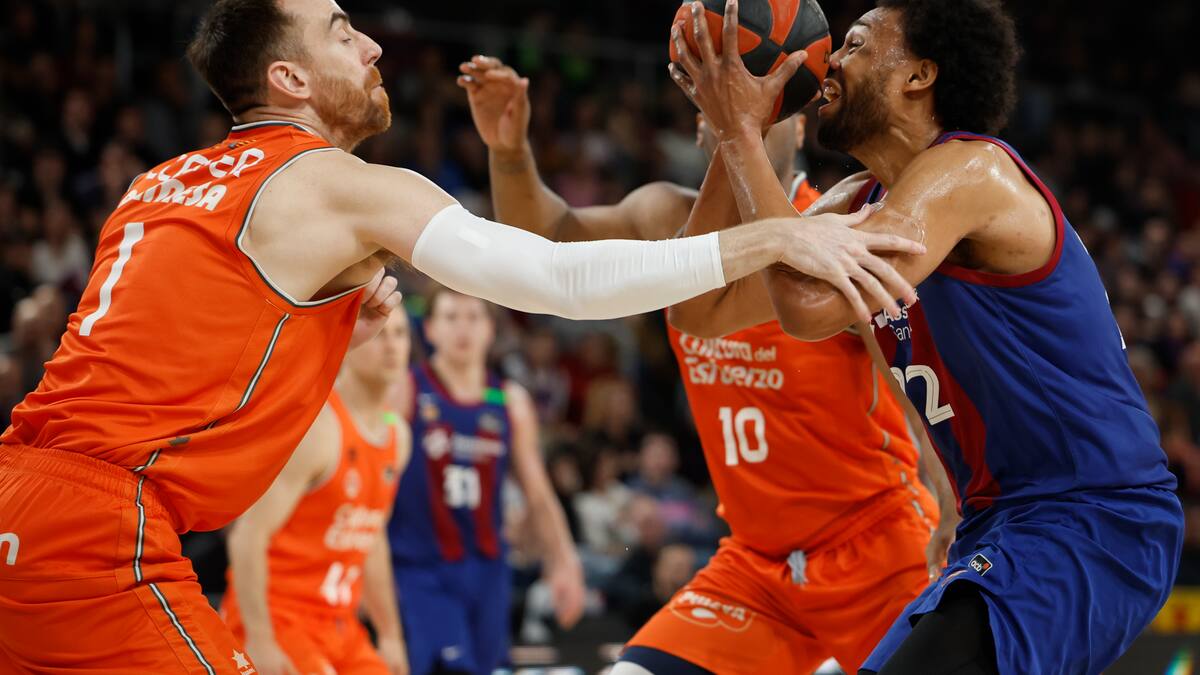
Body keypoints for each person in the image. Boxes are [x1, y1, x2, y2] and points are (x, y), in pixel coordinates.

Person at [0, 0, 927, 670]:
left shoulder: (157, 183)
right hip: (104, 528)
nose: (369, 41)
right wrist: (772, 235)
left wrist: (317, 312)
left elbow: (170, 338)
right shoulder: (342, 185)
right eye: (337, 29)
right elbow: (556, 273)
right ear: (288, 79)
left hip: (20, 493)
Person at [669, 0, 1183, 673]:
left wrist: (739, 132)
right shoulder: (857, 204)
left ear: (919, 75)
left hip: (1095, 518)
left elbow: (809, 305)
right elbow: (698, 310)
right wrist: (741, 131)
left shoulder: (974, 173)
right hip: (1000, 522)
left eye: (853, 44)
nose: (830, 61)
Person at [459, 54, 958, 674]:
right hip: (756, 565)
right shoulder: (668, 220)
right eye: (726, 117)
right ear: (706, 131)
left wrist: (952, 498)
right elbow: (547, 244)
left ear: (799, 129)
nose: (744, 126)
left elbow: (913, 382)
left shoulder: (833, 230)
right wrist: (509, 154)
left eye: (766, 115)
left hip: (875, 547)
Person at [388, 287, 586, 675]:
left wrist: (564, 562)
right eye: (451, 317)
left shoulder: (510, 401)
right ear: (429, 329)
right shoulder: (408, 389)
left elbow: (538, 492)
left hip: (489, 572)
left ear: (491, 330)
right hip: (421, 569)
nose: (463, 328)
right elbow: (379, 481)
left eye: (474, 317)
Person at [222, 310, 412, 675]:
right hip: (278, 615)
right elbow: (248, 535)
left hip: (340, 624)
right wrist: (260, 639)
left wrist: (390, 635)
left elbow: (371, 540)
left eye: (401, 334)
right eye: (382, 333)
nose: (392, 345)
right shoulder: (321, 427)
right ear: (347, 341)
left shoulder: (398, 437)